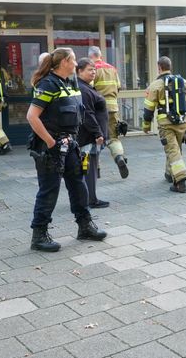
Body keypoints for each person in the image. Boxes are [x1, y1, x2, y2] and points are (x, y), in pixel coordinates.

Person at [26, 48, 107, 252]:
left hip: (70, 145)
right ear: (64, 62)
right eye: (73, 60)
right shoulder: (48, 84)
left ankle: (85, 226)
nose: (75, 64)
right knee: (49, 190)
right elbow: (32, 117)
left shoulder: (70, 83)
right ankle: (39, 235)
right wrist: (51, 142)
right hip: (50, 148)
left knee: (78, 186)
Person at [142, 56, 186, 193]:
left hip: (166, 124)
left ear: (159, 67)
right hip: (182, 123)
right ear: (170, 67)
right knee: (175, 149)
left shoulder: (155, 85)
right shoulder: (183, 82)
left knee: (172, 150)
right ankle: (169, 174)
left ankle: (180, 181)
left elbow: (148, 108)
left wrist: (146, 125)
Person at [87, 46, 129, 179]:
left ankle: (96, 170)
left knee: (95, 138)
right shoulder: (112, 68)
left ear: (91, 56)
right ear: (100, 55)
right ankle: (119, 158)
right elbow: (119, 87)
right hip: (113, 108)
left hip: (97, 109)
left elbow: (89, 88)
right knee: (113, 137)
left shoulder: (93, 69)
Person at [76, 57, 110, 208]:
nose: (93, 72)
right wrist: (98, 133)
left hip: (91, 136)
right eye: (90, 70)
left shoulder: (86, 87)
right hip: (89, 137)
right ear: (79, 71)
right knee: (89, 168)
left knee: (90, 168)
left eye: (94, 69)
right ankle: (91, 200)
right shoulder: (83, 89)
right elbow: (88, 114)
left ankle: (90, 197)